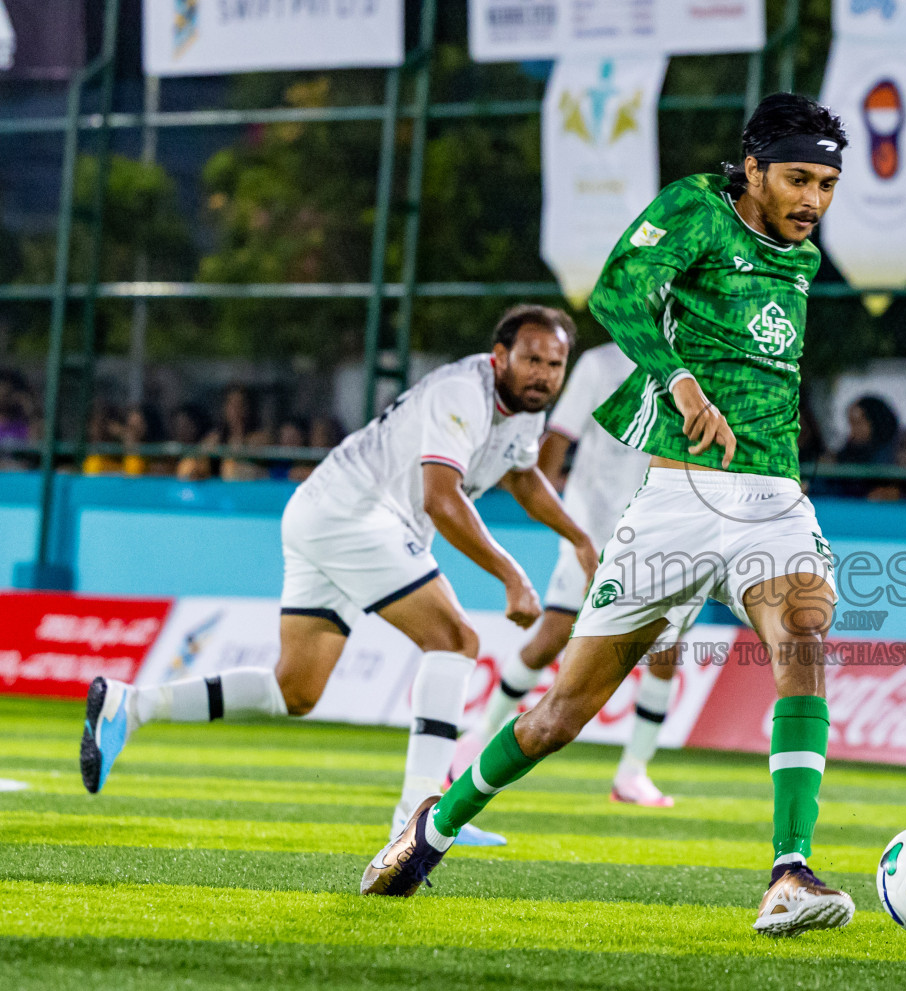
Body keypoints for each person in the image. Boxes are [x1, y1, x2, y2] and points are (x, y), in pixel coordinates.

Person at [361, 92, 855, 939]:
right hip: (674, 499)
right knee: (560, 716)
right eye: (798, 179)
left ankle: (788, 871)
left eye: (827, 184)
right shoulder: (696, 210)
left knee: (805, 633)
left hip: (773, 494)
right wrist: (682, 380)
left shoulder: (801, 258)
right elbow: (620, 294)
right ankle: (431, 829)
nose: (813, 200)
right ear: (755, 170)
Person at [79, 305, 595, 852]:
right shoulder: (462, 392)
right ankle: (420, 815)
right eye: (532, 359)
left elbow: (521, 473)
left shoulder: (524, 410)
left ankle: (131, 706)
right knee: (455, 640)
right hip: (355, 514)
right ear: (500, 358)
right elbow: (441, 499)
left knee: (294, 689)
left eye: (555, 364)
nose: (543, 373)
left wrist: (580, 537)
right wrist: (511, 575)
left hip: (326, 515)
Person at [451, 340, 695, 808]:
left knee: (665, 651)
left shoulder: (697, 355)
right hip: (594, 528)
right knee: (552, 637)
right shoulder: (601, 363)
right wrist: (551, 511)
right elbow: (558, 438)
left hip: (664, 534)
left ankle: (633, 773)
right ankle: (479, 734)